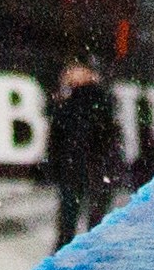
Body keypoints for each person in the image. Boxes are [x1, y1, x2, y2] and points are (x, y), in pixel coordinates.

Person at [49, 51, 126, 247]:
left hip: (85, 167)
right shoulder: (84, 98)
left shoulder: (85, 99)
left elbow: (67, 136)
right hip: (87, 168)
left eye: (74, 70)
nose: (68, 74)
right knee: (86, 223)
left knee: (76, 222)